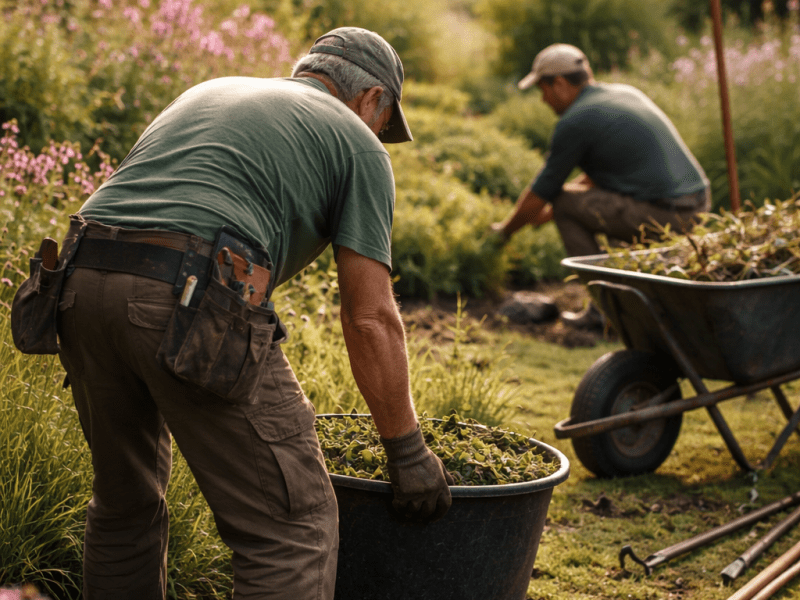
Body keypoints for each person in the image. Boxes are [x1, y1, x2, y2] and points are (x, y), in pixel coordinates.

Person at [26, 27, 453, 600]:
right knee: (292, 528)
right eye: (384, 119)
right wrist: (406, 450)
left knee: (124, 507)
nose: (379, 132)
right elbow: (369, 317)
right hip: (182, 291)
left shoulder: (210, 91)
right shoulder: (358, 141)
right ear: (373, 99)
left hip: (77, 280)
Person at [491, 43, 710, 329]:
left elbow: (541, 193)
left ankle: (605, 311)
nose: (543, 100)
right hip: (696, 203)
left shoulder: (576, 120)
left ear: (558, 84)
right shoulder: (620, 94)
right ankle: (634, 305)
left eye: (541, 90)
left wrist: (504, 233)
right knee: (571, 204)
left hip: (669, 214)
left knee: (565, 204)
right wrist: (543, 216)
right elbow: (601, 174)